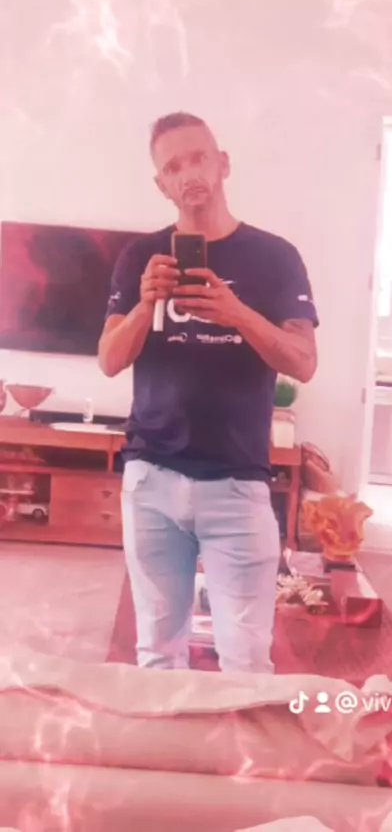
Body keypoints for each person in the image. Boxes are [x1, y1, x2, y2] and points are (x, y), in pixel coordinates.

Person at [98, 112, 319, 673]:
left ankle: (241, 737)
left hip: (237, 483)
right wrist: (145, 305)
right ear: (161, 184)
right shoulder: (140, 257)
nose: (189, 173)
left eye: (198, 158)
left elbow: (303, 362)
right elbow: (109, 360)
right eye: (173, 166)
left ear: (223, 164)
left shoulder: (275, 257)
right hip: (151, 480)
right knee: (157, 652)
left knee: (246, 660)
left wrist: (237, 312)